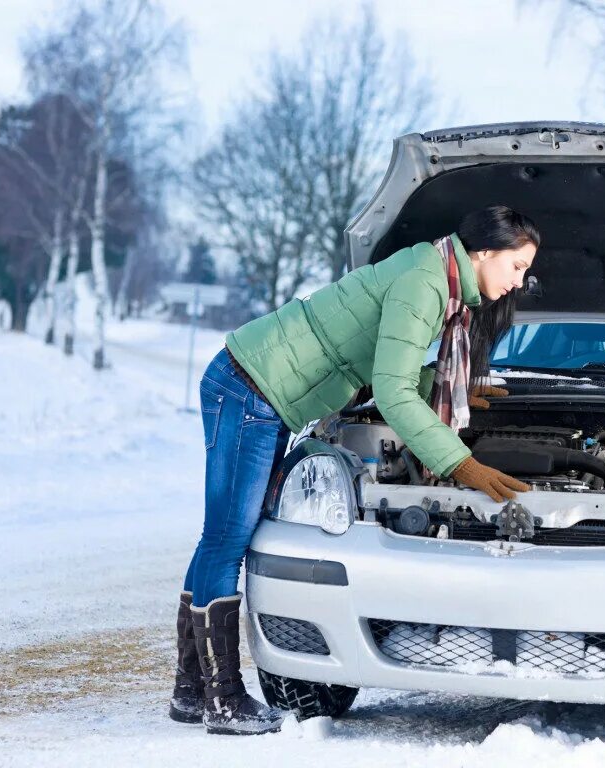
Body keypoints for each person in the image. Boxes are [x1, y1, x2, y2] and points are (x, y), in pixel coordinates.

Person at [169, 205, 541, 734]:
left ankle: (192, 692)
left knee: (220, 539)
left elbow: (388, 359)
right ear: (484, 252)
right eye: (517, 266)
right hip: (249, 386)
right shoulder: (425, 283)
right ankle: (223, 697)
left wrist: (452, 383)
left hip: (259, 389)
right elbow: (390, 391)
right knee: (227, 540)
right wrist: (459, 463)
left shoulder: (431, 271)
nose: (519, 281)